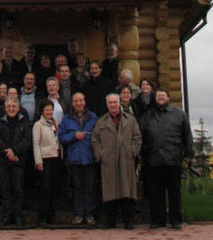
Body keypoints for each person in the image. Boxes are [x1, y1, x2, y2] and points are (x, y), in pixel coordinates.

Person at [141, 87, 194, 230]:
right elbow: (142, 137)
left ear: (168, 98)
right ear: (155, 99)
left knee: (174, 192)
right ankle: (158, 220)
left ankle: (176, 220)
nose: (161, 98)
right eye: (158, 96)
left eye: (163, 95)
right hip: (153, 160)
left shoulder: (179, 115)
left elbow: (187, 135)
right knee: (155, 193)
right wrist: (143, 155)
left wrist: (189, 154)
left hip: (173, 159)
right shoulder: (148, 116)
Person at [91, 93, 142, 230]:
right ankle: (110, 220)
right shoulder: (101, 122)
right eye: (110, 103)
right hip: (108, 160)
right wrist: (100, 154)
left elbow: (137, 137)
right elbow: (95, 139)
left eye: (115, 102)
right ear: (107, 105)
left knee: (127, 191)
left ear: (119, 103)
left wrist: (133, 151)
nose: (113, 105)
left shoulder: (130, 120)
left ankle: (128, 221)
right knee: (110, 192)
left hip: (126, 159)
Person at [59, 92, 98, 226]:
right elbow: (61, 137)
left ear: (85, 102)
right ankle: (78, 214)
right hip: (74, 159)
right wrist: (74, 136)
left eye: (80, 100)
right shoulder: (67, 119)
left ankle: (90, 214)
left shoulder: (93, 117)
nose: (78, 103)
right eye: (76, 101)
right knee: (77, 188)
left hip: (89, 158)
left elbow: (98, 136)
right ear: (72, 103)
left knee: (90, 187)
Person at [0, 97, 32, 226]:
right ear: (5, 108)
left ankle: (18, 216)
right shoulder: (0, 123)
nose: (11, 109)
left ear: (18, 107)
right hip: (3, 162)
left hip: (18, 161)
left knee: (18, 190)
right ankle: (6, 215)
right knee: (5, 190)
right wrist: (8, 153)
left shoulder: (24, 122)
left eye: (13, 106)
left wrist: (14, 151)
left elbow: (27, 141)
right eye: (8, 106)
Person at [32, 99, 63, 225]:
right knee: (45, 189)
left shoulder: (55, 123)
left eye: (51, 110)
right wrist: (38, 161)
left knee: (53, 188)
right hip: (45, 159)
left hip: (55, 158)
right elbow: (36, 144)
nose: (49, 112)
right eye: (47, 110)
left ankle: (51, 215)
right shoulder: (38, 125)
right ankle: (42, 216)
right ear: (42, 111)